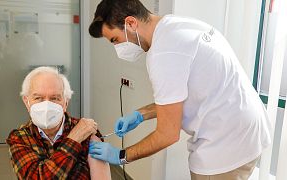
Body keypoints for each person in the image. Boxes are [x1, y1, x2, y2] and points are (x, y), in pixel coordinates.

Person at [88, 0, 272, 179]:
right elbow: (181, 97)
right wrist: (140, 114)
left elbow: (167, 134)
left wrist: (121, 155)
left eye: (115, 40)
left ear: (131, 23)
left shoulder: (163, 54)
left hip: (225, 144)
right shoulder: (177, 25)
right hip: (248, 130)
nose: (117, 48)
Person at [6, 66, 111, 180]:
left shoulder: (88, 131)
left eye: (55, 98)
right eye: (38, 98)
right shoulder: (19, 138)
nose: (47, 106)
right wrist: (74, 138)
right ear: (27, 102)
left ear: (66, 102)